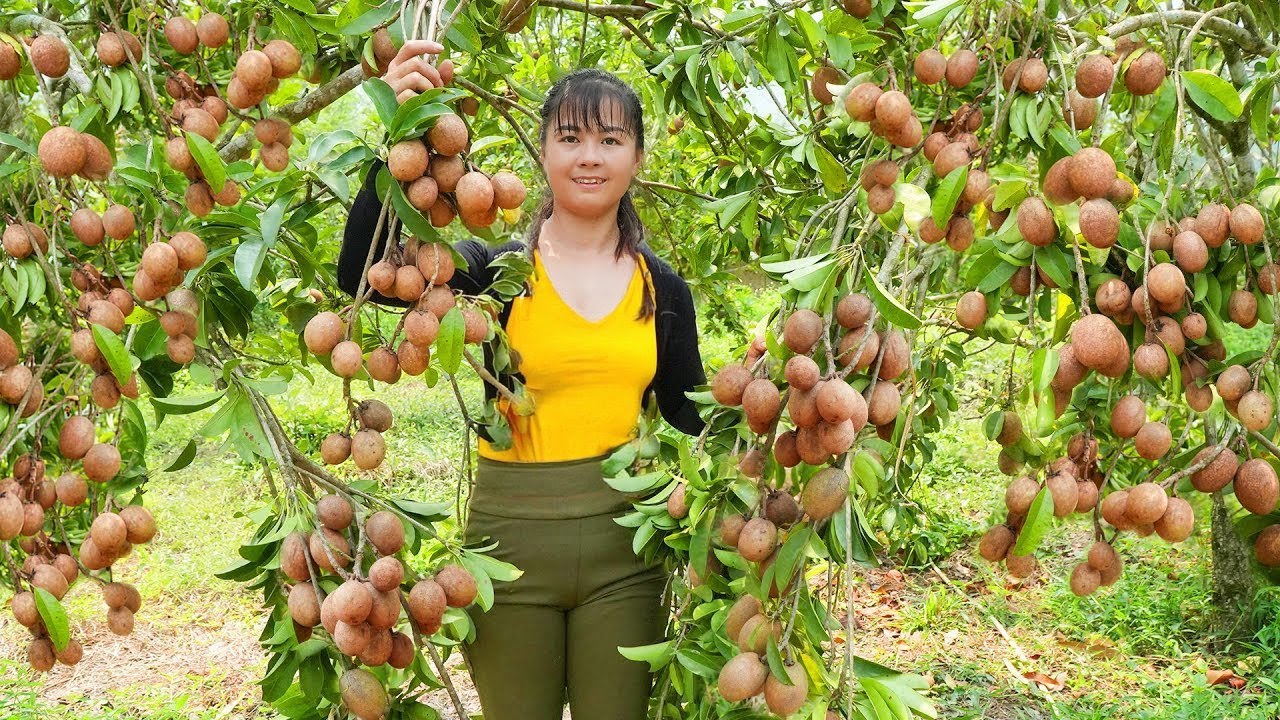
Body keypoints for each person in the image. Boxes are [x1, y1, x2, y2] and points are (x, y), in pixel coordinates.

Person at [338, 42, 707, 720]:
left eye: (610, 138)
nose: (589, 155)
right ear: (544, 152)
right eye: (570, 137)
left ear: (636, 157)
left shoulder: (667, 291)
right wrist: (398, 122)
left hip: (627, 557)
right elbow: (362, 273)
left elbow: (695, 421)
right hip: (507, 555)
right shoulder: (497, 274)